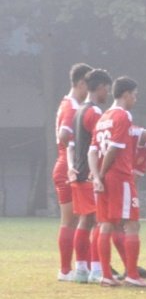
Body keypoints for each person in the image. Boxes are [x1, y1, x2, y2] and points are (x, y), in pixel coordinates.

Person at [88, 76, 146, 287]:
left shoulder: (103, 118)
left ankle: (106, 275)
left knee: (106, 224)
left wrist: (97, 176)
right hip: (120, 177)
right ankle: (133, 275)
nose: (135, 99)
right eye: (134, 95)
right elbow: (115, 148)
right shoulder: (123, 115)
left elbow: (93, 151)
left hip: (104, 177)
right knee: (132, 224)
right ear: (126, 94)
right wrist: (104, 172)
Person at [68, 69, 112, 283]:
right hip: (88, 175)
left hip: (78, 172)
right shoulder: (94, 113)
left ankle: (81, 268)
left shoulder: (78, 111)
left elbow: (71, 144)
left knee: (84, 222)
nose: (108, 95)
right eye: (107, 90)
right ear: (102, 87)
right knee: (98, 221)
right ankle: (96, 268)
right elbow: (100, 145)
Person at [53, 63, 92, 281]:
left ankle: (78, 267)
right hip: (67, 167)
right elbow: (62, 135)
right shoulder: (71, 107)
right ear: (80, 83)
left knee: (77, 221)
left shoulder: (69, 104)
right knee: (71, 221)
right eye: (89, 82)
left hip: (68, 166)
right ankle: (66, 270)